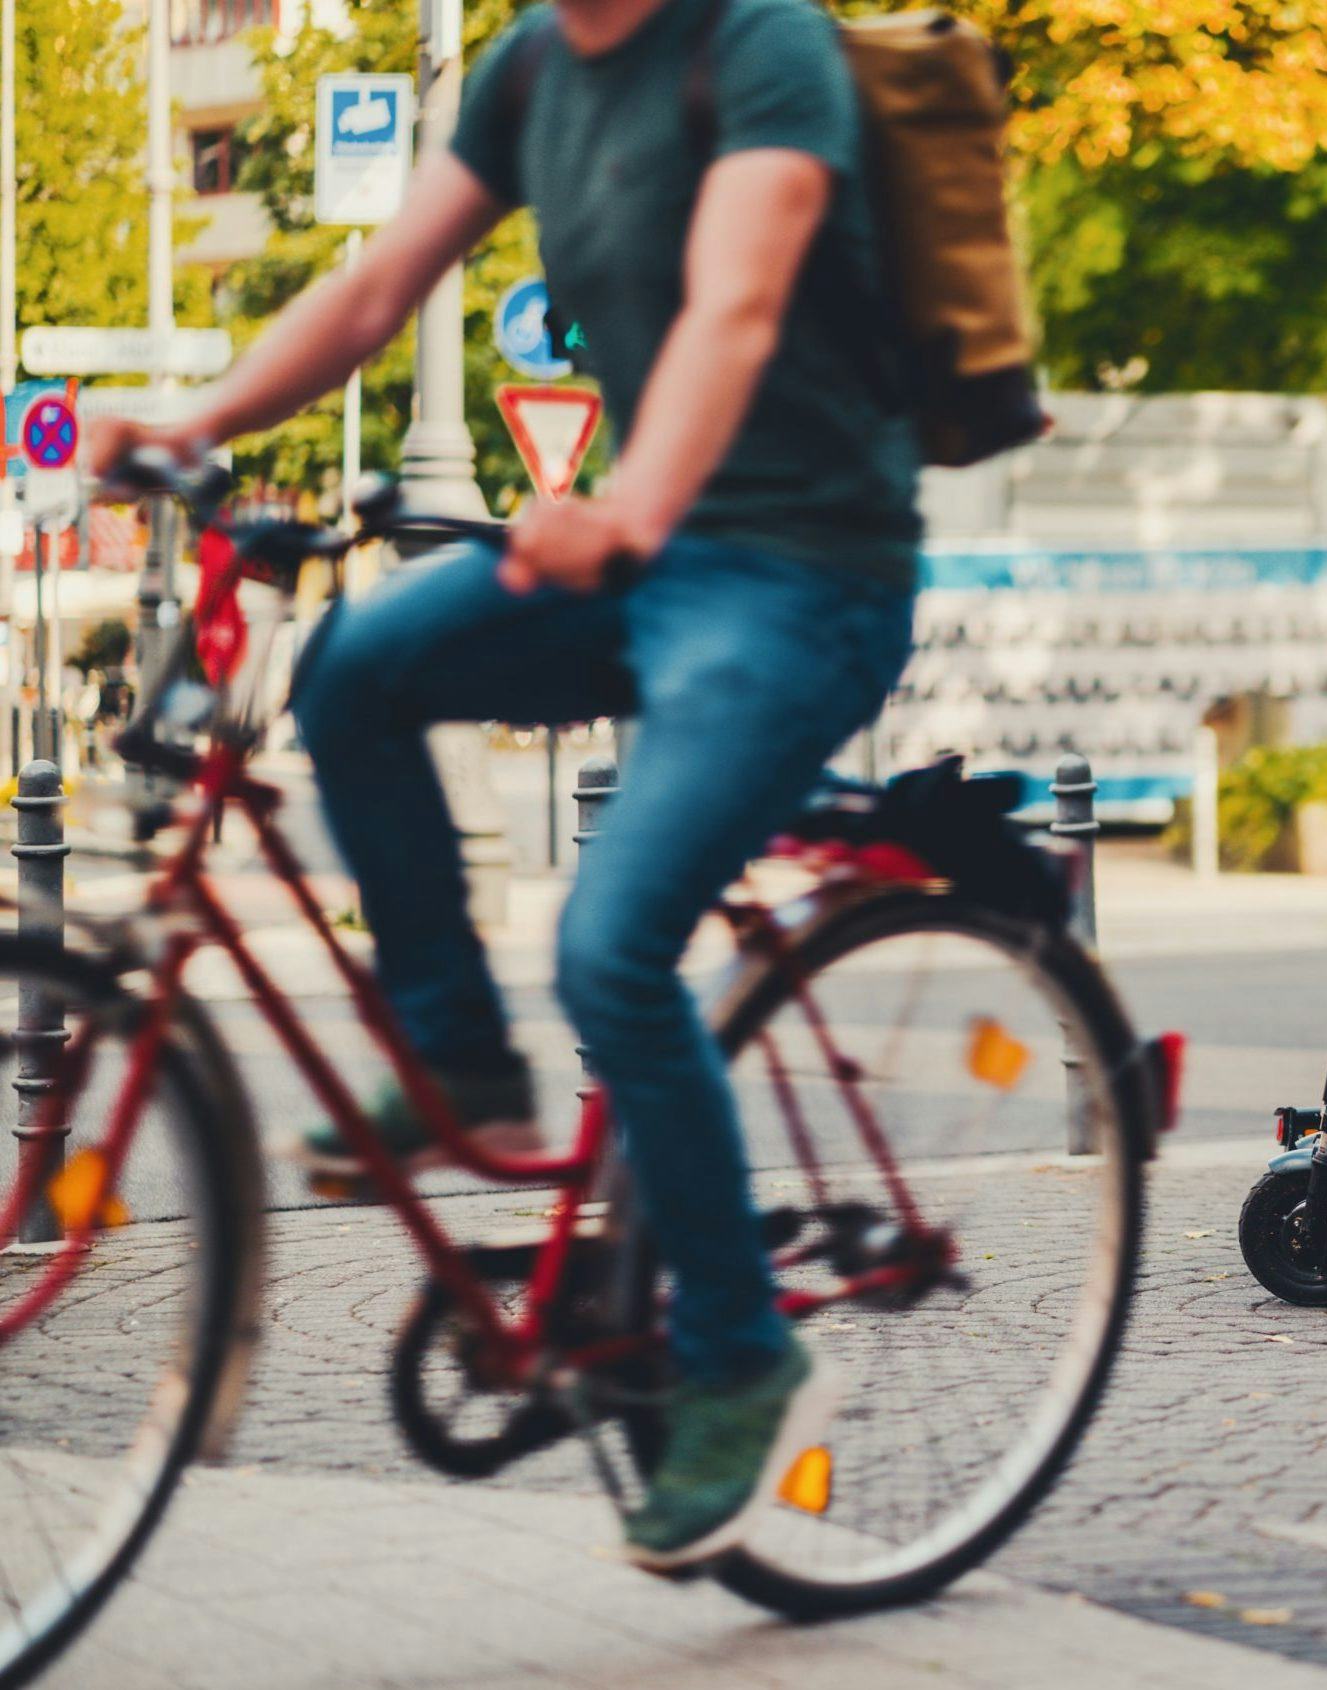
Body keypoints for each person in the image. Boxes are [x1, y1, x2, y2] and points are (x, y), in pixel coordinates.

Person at [85, 0, 919, 1571]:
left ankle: (740, 1351)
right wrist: (192, 425)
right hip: (642, 557)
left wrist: (630, 507)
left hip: (801, 574)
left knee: (611, 944)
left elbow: (736, 310)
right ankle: (463, 1061)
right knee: (353, 670)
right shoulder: (531, 64)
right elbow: (377, 290)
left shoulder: (759, 47)